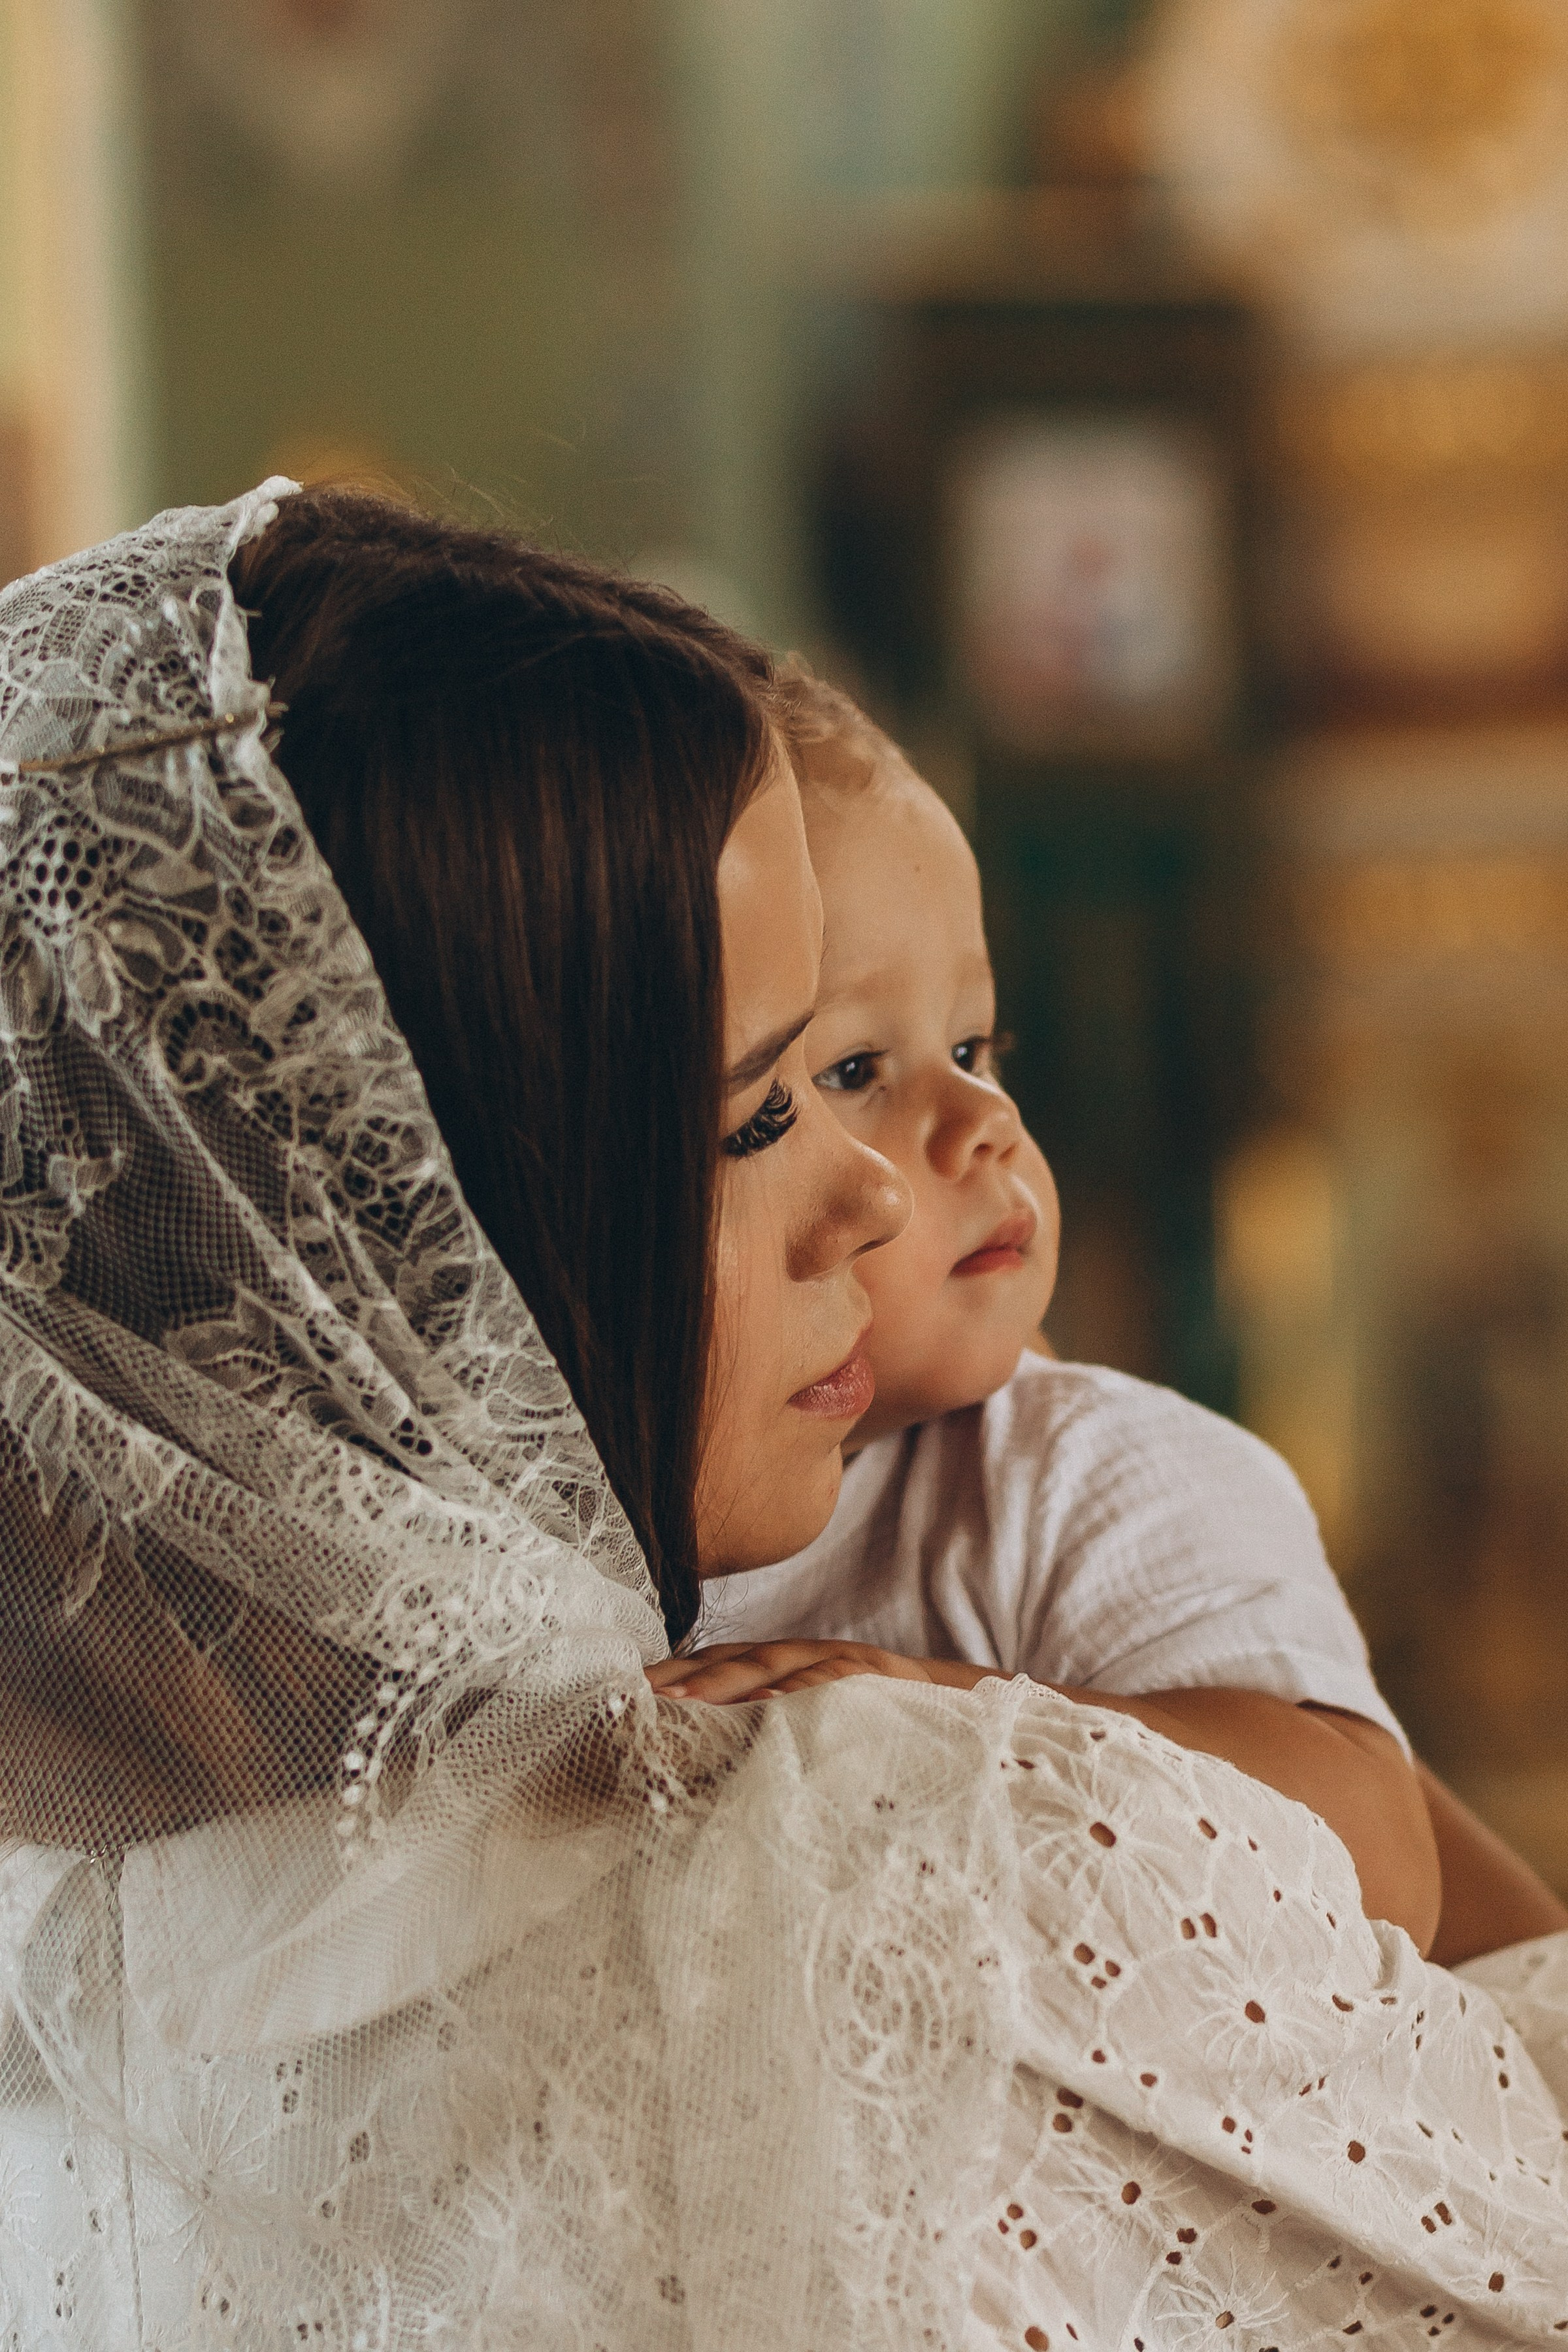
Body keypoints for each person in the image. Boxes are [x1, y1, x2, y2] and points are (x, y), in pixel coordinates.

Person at [3, 485, 1567, 2351]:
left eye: (960, 1056)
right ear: (428, 1228)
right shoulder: (951, 1857)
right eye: (771, 1104)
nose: (893, 1190)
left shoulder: (79, 1935)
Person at [678, 666, 1568, 1968]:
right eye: (854, 1072)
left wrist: (950, 1720)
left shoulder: (1090, 1476)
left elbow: (1377, 1856)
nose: (984, 1125)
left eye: (977, 1049)